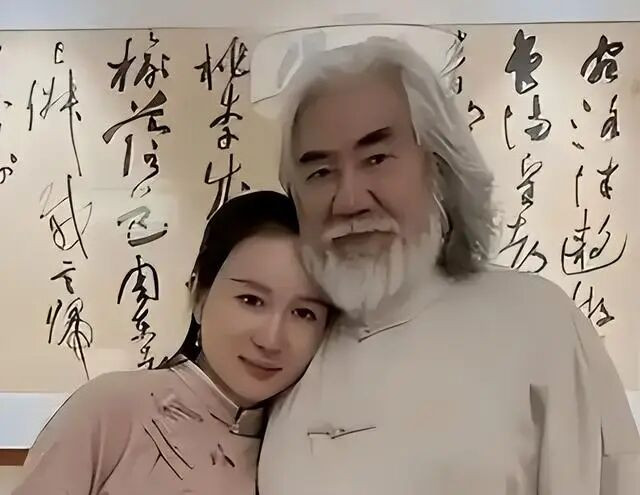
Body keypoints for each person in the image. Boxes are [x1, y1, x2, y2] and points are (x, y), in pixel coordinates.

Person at [256, 36, 640, 494]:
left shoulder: (537, 322)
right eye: (320, 172)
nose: (350, 200)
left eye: (376, 158)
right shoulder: (285, 347)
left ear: (437, 166)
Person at [13, 191, 334, 495]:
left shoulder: (303, 450)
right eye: (251, 300)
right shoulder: (109, 410)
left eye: (304, 313)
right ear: (199, 295)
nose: (271, 339)